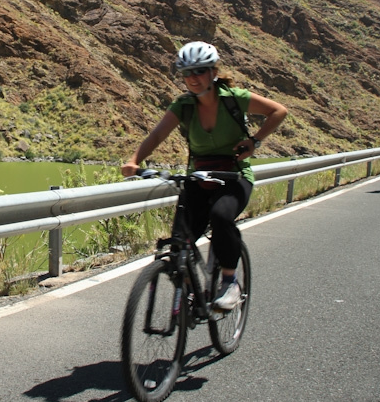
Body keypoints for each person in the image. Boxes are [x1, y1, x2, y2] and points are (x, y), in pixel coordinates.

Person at [121, 41, 288, 310]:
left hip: (234, 176)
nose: (192, 78)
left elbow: (278, 111)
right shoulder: (184, 106)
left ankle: (230, 282)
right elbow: (157, 134)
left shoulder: (234, 98)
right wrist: (134, 161)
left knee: (221, 217)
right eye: (186, 73)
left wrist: (254, 141)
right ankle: (189, 293)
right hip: (198, 178)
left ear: (213, 72)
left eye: (199, 71)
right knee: (180, 241)